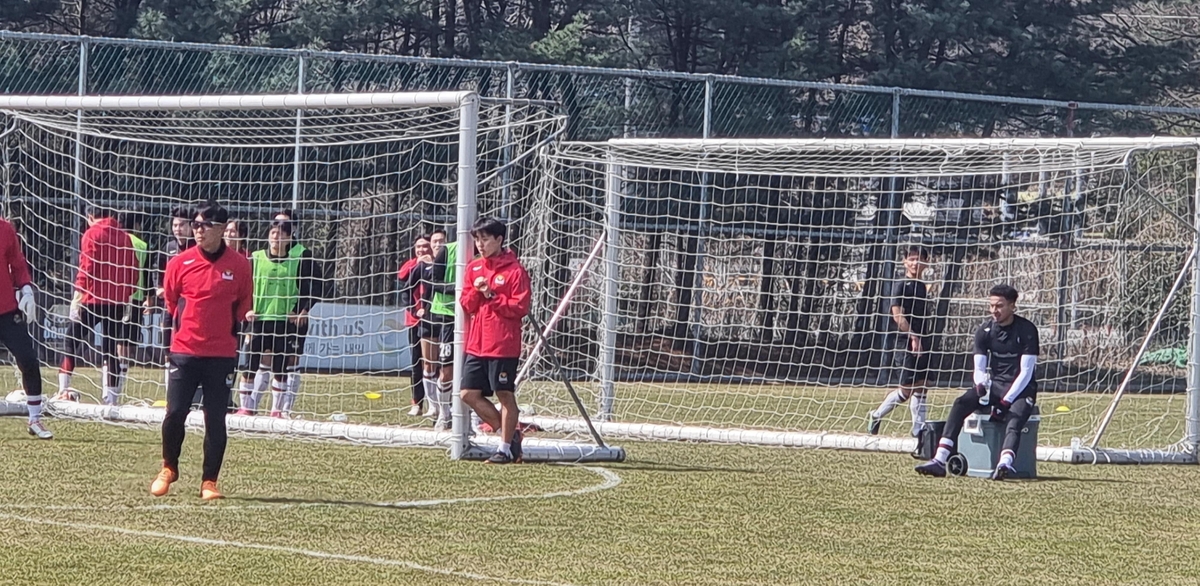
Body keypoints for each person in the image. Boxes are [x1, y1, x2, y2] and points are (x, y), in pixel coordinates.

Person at [151, 201, 252, 500]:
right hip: (184, 350)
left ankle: (210, 481)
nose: (197, 230)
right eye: (194, 224)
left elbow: (243, 303)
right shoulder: (179, 263)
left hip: (221, 354)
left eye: (204, 225)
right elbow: (171, 302)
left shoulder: (240, 264)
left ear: (221, 229)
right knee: (175, 413)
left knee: (216, 418)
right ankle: (169, 467)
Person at [915, 284, 1040, 481]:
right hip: (996, 385)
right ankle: (939, 459)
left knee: (1014, 418)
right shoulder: (984, 330)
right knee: (961, 403)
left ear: (1013, 306)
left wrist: (1005, 402)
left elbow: (1026, 372)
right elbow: (979, 369)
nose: (994, 311)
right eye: (991, 306)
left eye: (999, 306)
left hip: (1022, 389)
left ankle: (1004, 464)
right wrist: (981, 386)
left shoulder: (1027, 330)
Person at [459, 217, 531, 464]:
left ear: (499, 240)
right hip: (477, 343)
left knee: (504, 394)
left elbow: (520, 307)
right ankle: (511, 437)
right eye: (477, 239)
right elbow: (466, 304)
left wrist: (491, 294)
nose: (480, 244)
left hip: (502, 343)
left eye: (485, 239)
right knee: (468, 393)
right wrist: (478, 293)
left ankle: (504, 449)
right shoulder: (474, 268)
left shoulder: (515, 271)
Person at [59, 204, 139, 405]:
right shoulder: (125, 237)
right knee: (110, 348)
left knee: (71, 340)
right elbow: (134, 270)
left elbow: (87, 266)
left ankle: (63, 389)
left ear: (89, 216)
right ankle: (111, 399)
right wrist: (126, 293)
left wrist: (78, 294)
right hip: (117, 301)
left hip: (93, 299)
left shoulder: (91, 234)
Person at [237, 218, 315, 417]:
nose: (276, 238)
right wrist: (247, 309)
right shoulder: (255, 258)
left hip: (284, 322)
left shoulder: (297, 260)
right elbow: (244, 287)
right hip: (258, 321)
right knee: (250, 365)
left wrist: (299, 311)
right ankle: (246, 407)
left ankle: (276, 410)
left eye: (281, 234)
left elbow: (308, 289)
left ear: (289, 238)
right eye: (273, 233)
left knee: (280, 367)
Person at [869, 246, 931, 437]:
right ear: (905, 262)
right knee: (906, 390)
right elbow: (898, 315)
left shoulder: (921, 286)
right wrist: (913, 336)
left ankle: (918, 430)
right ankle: (876, 414)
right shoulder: (901, 285)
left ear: (926, 262)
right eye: (911, 259)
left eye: (919, 259)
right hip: (905, 342)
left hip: (922, 341)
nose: (915, 263)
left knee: (922, 384)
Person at [0, 216, 52, 438]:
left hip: (7, 310)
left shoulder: (5, 228)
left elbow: (17, 263)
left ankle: (35, 419)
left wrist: (26, 288)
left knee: (28, 359)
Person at [271, 209, 317, 413]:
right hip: (269, 316)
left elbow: (314, 287)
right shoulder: (264, 254)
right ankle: (253, 407)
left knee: (291, 359)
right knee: (264, 359)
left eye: (285, 226)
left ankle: (285, 409)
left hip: (294, 318)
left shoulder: (303, 254)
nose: (279, 230)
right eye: (276, 225)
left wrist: (302, 310)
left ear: (294, 230)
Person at [148, 205, 195, 388]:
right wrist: (158, 287)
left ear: (190, 226)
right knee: (168, 346)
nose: (178, 229)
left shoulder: (197, 248)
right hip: (170, 305)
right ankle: (171, 390)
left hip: (190, 306)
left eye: (182, 225)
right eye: (175, 225)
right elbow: (156, 269)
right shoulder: (169, 247)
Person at [116, 210, 151, 395]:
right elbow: (145, 275)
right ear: (137, 225)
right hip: (133, 298)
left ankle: (111, 382)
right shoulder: (142, 244)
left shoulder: (114, 240)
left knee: (115, 338)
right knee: (126, 341)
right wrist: (149, 298)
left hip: (112, 295)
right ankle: (119, 380)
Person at [398, 234, 433, 417]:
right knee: (417, 362)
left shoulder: (438, 265)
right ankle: (417, 403)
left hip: (434, 318)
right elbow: (402, 277)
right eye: (418, 246)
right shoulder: (411, 264)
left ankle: (437, 404)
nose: (422, 250)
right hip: (414, 320)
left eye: (425, 246)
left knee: (435, 363)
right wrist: (419, 263)